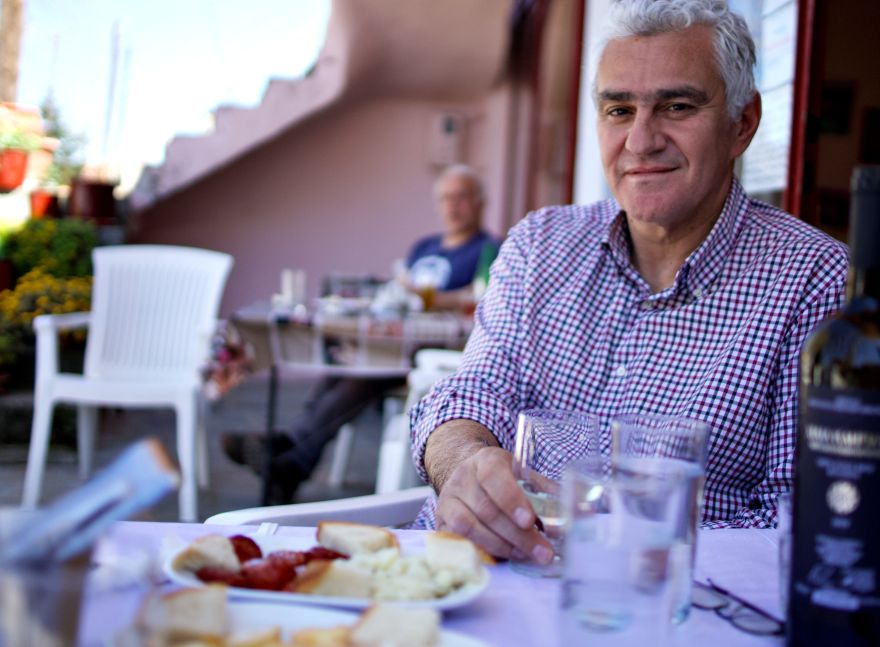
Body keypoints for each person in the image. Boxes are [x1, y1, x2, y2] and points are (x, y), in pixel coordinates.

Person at [409, 0, 849, 567]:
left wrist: (615, 547)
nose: (641, 141)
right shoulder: (541, 244)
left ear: (742, 123)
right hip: (458, 580)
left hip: (667, 602)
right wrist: (464, 462)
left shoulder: (814, 279)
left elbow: (799, 524)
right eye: (619, 110)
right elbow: (470, 394)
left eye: (677, 106)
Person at [223, 164, 499, 504]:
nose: (452, 206)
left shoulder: (490, 250)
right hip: (391, 340)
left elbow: (481, 298)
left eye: (461, 197)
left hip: (431, 354)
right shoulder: (425, 246)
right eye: (445, 198)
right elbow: (398, 290)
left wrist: (429, 297)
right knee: (342, 362)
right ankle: (289, 455)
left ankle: (286, 453)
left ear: (480, 202)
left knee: (365, 371)